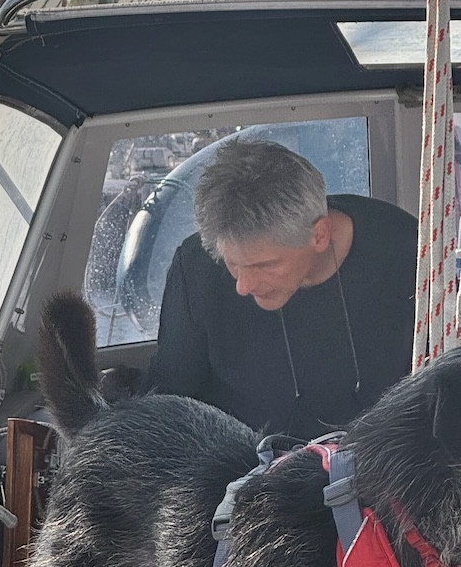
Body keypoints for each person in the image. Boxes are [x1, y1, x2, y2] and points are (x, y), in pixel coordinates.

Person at [148, 139, 417, 439]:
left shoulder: (406, 252)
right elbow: (170, 398)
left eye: (265, 265)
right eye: (233, 264)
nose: (243, 286)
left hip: (382, 461)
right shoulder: (196, 267)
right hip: (242, 468)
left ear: (320, 235)